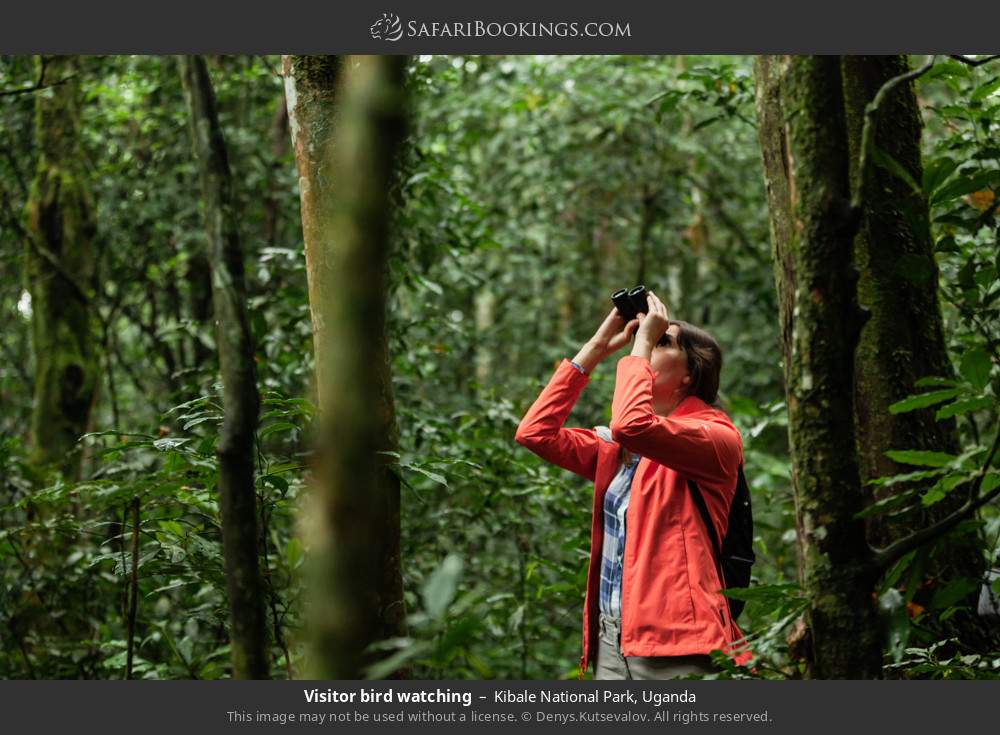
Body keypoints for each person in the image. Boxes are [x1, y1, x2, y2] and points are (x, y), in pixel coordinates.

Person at [514, 290, 750, 680]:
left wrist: (639, 345)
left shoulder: (714, 438)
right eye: (649, 339)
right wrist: (597, 347)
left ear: (691, 373)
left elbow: (631, 424)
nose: (648, 342)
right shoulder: (621, 450)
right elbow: (535, 433)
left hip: (677, 643)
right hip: (613, 640)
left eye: (663, 341)